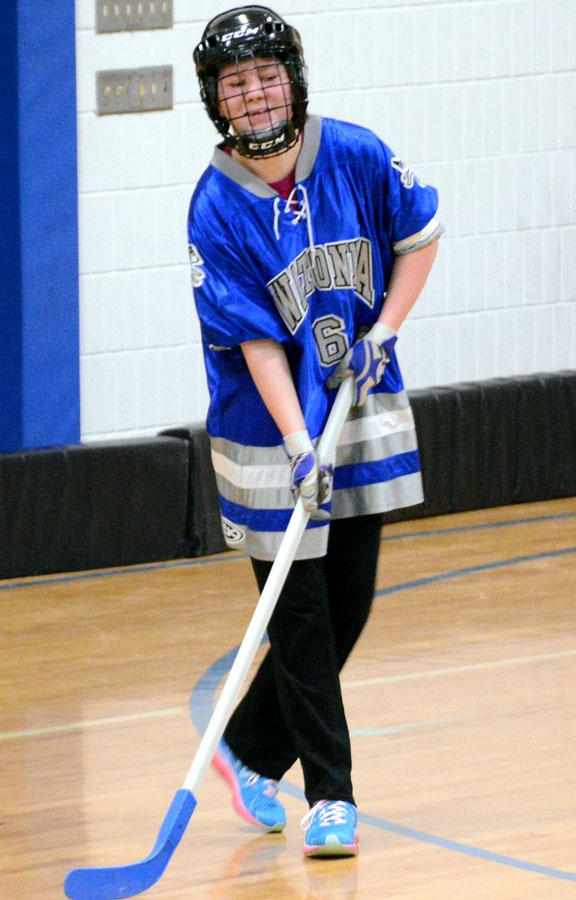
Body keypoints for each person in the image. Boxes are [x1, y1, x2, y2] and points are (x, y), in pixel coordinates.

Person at [188, 5, 442, 858]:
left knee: (349, 601)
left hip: (359, 396)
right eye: (236, 83)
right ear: (216, 100)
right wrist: (299, 444)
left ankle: (249, 752)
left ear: (292, 79)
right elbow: (255, 338)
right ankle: (332, 797)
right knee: (297, 613)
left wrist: (386, 332)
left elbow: (420, 236)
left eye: (266, 76)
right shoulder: (215, 208)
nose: (255, 95)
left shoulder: (360, 153)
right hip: (269, 428)